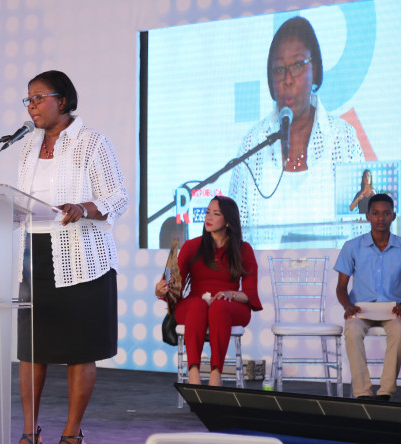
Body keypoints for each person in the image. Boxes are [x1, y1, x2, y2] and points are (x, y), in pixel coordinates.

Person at [11, 70, 128, 444]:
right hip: (35, 257)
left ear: (62, 101)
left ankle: (71, 436)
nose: (32, 106)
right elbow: (23, 200)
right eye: (28, 99)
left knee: (80, 351)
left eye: (38, 98)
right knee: (31, 350)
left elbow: (118, 196)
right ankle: (29, 434)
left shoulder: (92, 142)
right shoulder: (27, 147)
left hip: (82, 259)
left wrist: (84, 208)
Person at [228, 16, 364, 248]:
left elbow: (362, 231)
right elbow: (234, 238)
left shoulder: (342, 140)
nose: (287, 79)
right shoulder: (253, 145)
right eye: (279, 69)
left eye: (298, 65)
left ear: (315, 69)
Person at [155, 196, 262, 386]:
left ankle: (216, 373)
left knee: (218, 307)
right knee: (198, 305)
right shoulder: (191, 246)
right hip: (194, 303)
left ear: (228, 221)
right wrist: (161, 290)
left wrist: (230, 294)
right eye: (207, 212)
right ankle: (193, 372)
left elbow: (250, 293)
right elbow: (172, 284)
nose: (208, 217)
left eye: (216, 213)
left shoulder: (243, 249)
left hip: (230, 305)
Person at [334, 193, 401, 401]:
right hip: (361, 310)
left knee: (400, 331)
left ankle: (385, 392)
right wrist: (347, 306)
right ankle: (362, 392)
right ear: (367, 216)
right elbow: (341, 287)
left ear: (393, 216)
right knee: (352, 330)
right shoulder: (352, 247)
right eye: (376, 213)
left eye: (386, 213)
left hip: (393, 310)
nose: (381, 218)